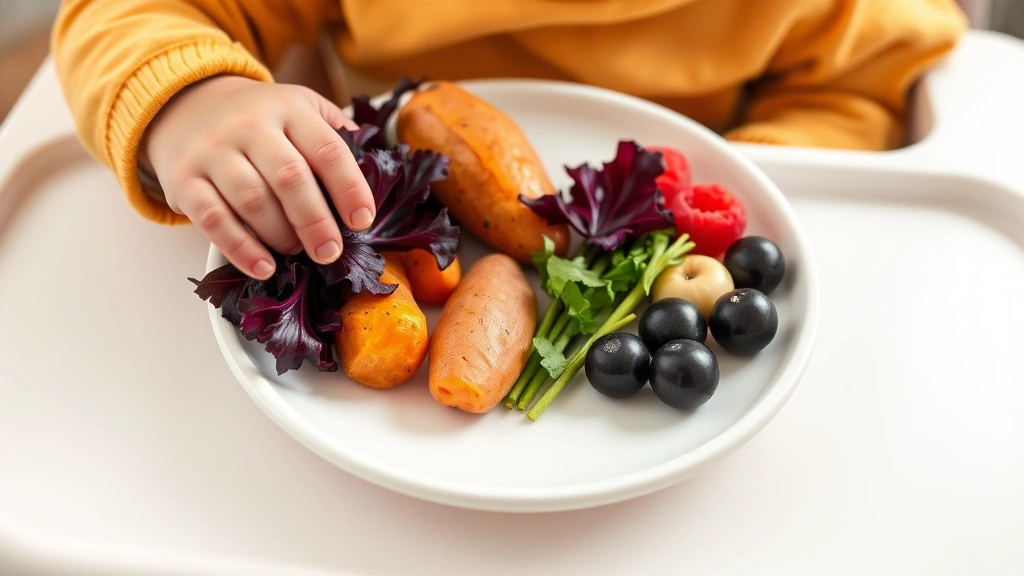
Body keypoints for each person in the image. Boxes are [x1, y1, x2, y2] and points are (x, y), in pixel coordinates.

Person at [51, 0, 966, 279]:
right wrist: (192, 98)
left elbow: (858, 83)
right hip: (376, 216)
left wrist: (735, 206)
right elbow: (133, 14)